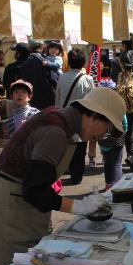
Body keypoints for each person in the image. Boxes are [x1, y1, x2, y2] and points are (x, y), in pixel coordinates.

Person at [0, 88, 126, 265]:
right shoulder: (56, 132)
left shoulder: (60, 118)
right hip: (8, 211)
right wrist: (77, 207)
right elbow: (34, 190)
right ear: (95, 116)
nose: (103, 135)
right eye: (108, 128)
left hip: (17, 203)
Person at [55, 49, 96, 185]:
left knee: (68, 147)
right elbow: (92, 100)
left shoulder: (61, 77)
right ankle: (77, 175)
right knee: (80, 148)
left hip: (65, 118)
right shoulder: (88, 79)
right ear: (83, 63)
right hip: (83, 119)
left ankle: (69, 170)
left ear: (69, 63)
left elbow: (58, 99)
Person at [16, 40, 55, 110]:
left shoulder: (23, 66)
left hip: (31, 100)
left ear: (29, 49)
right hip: (47, 100)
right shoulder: (46, 62)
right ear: (41, 47)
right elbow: (53, 80)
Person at [98, 113, 129, 190]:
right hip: (117, 138)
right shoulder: (118, 104)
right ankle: (116, 186)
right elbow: (124, 123)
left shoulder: (100, 104)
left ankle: (108, 184)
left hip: (103, 138)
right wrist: (124, 131)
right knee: (116, 163)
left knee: (107, 163)